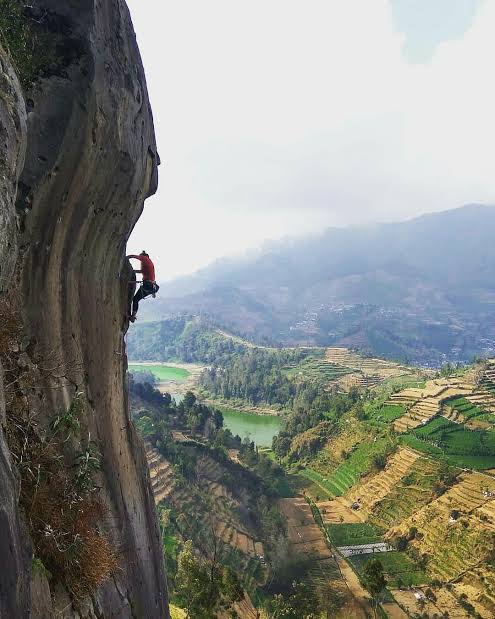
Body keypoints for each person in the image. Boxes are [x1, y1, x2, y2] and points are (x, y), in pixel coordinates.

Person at [127, 251, 159, 322]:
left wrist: (126, 258)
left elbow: (134, 256)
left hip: (148, 285)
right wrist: (132, 271)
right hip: (152, 287)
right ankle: (133, 316)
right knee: (136, 299)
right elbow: (141, 271)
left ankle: (133, 316)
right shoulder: (149, 263)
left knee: (135, 299)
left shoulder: (145, 258)